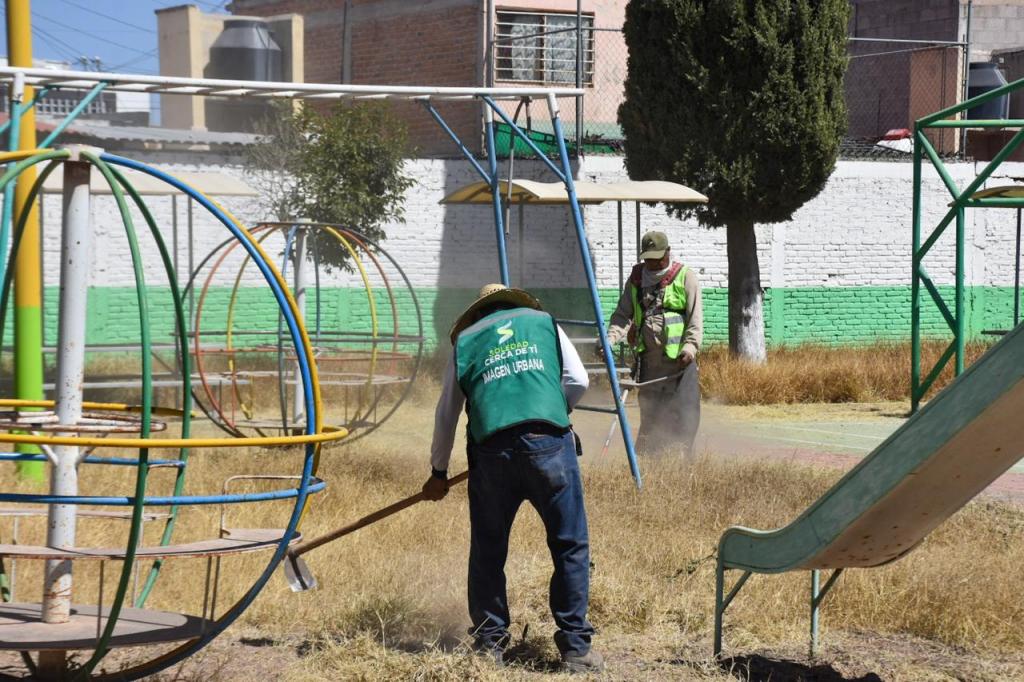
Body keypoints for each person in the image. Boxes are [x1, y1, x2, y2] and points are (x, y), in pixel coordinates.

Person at [422, 283, 603, 673]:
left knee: (488, 549)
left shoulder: (467, 341)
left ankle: (489, 643)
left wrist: (438, 472)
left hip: (492, 454)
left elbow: (447, 414)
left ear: (478, 313)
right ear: (513, 304)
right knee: (570, 545)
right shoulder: (543, 323)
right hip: (551, 445)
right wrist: (550, 413)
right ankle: (576, 649)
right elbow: (579, 381)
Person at [600, 230, 703, 458]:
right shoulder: (637, 279)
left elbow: (695, 320)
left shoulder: (686, 277)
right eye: (648, 258)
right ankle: (648, 464)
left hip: (679, 364)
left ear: (668, 252)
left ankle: (685, 464)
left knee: (686, 418)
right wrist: (609, 340)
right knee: (651, 417)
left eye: (658, 257)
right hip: (649, 363)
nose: (653, 262)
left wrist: (690, 348)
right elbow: (622, 315)